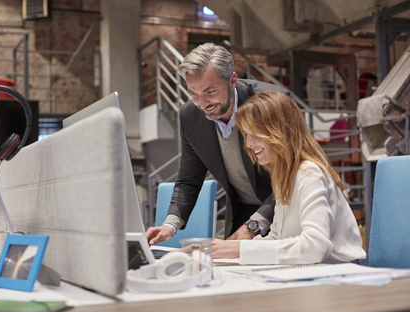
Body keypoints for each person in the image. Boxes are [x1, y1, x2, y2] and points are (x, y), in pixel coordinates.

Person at [146, 43, 293, 245]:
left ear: (232, 80)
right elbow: (189, 180)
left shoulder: (272, 103)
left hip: (284, 206)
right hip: (242, 212)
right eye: (193, 93)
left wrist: (254, 226)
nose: (202, 103)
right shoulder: (190, 115)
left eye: (210, 91)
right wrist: (170, 225)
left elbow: (290, 175)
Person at [212, 91, 367, 265]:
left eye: (254, 134)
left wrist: (240, 250)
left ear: (278, 132)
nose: (248, 144)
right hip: (315, 269)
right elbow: (277, 238)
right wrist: (229, 251)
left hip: (343, 271)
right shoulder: (284, 177)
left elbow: (316, 246)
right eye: (247, 135)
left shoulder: (309, 173)